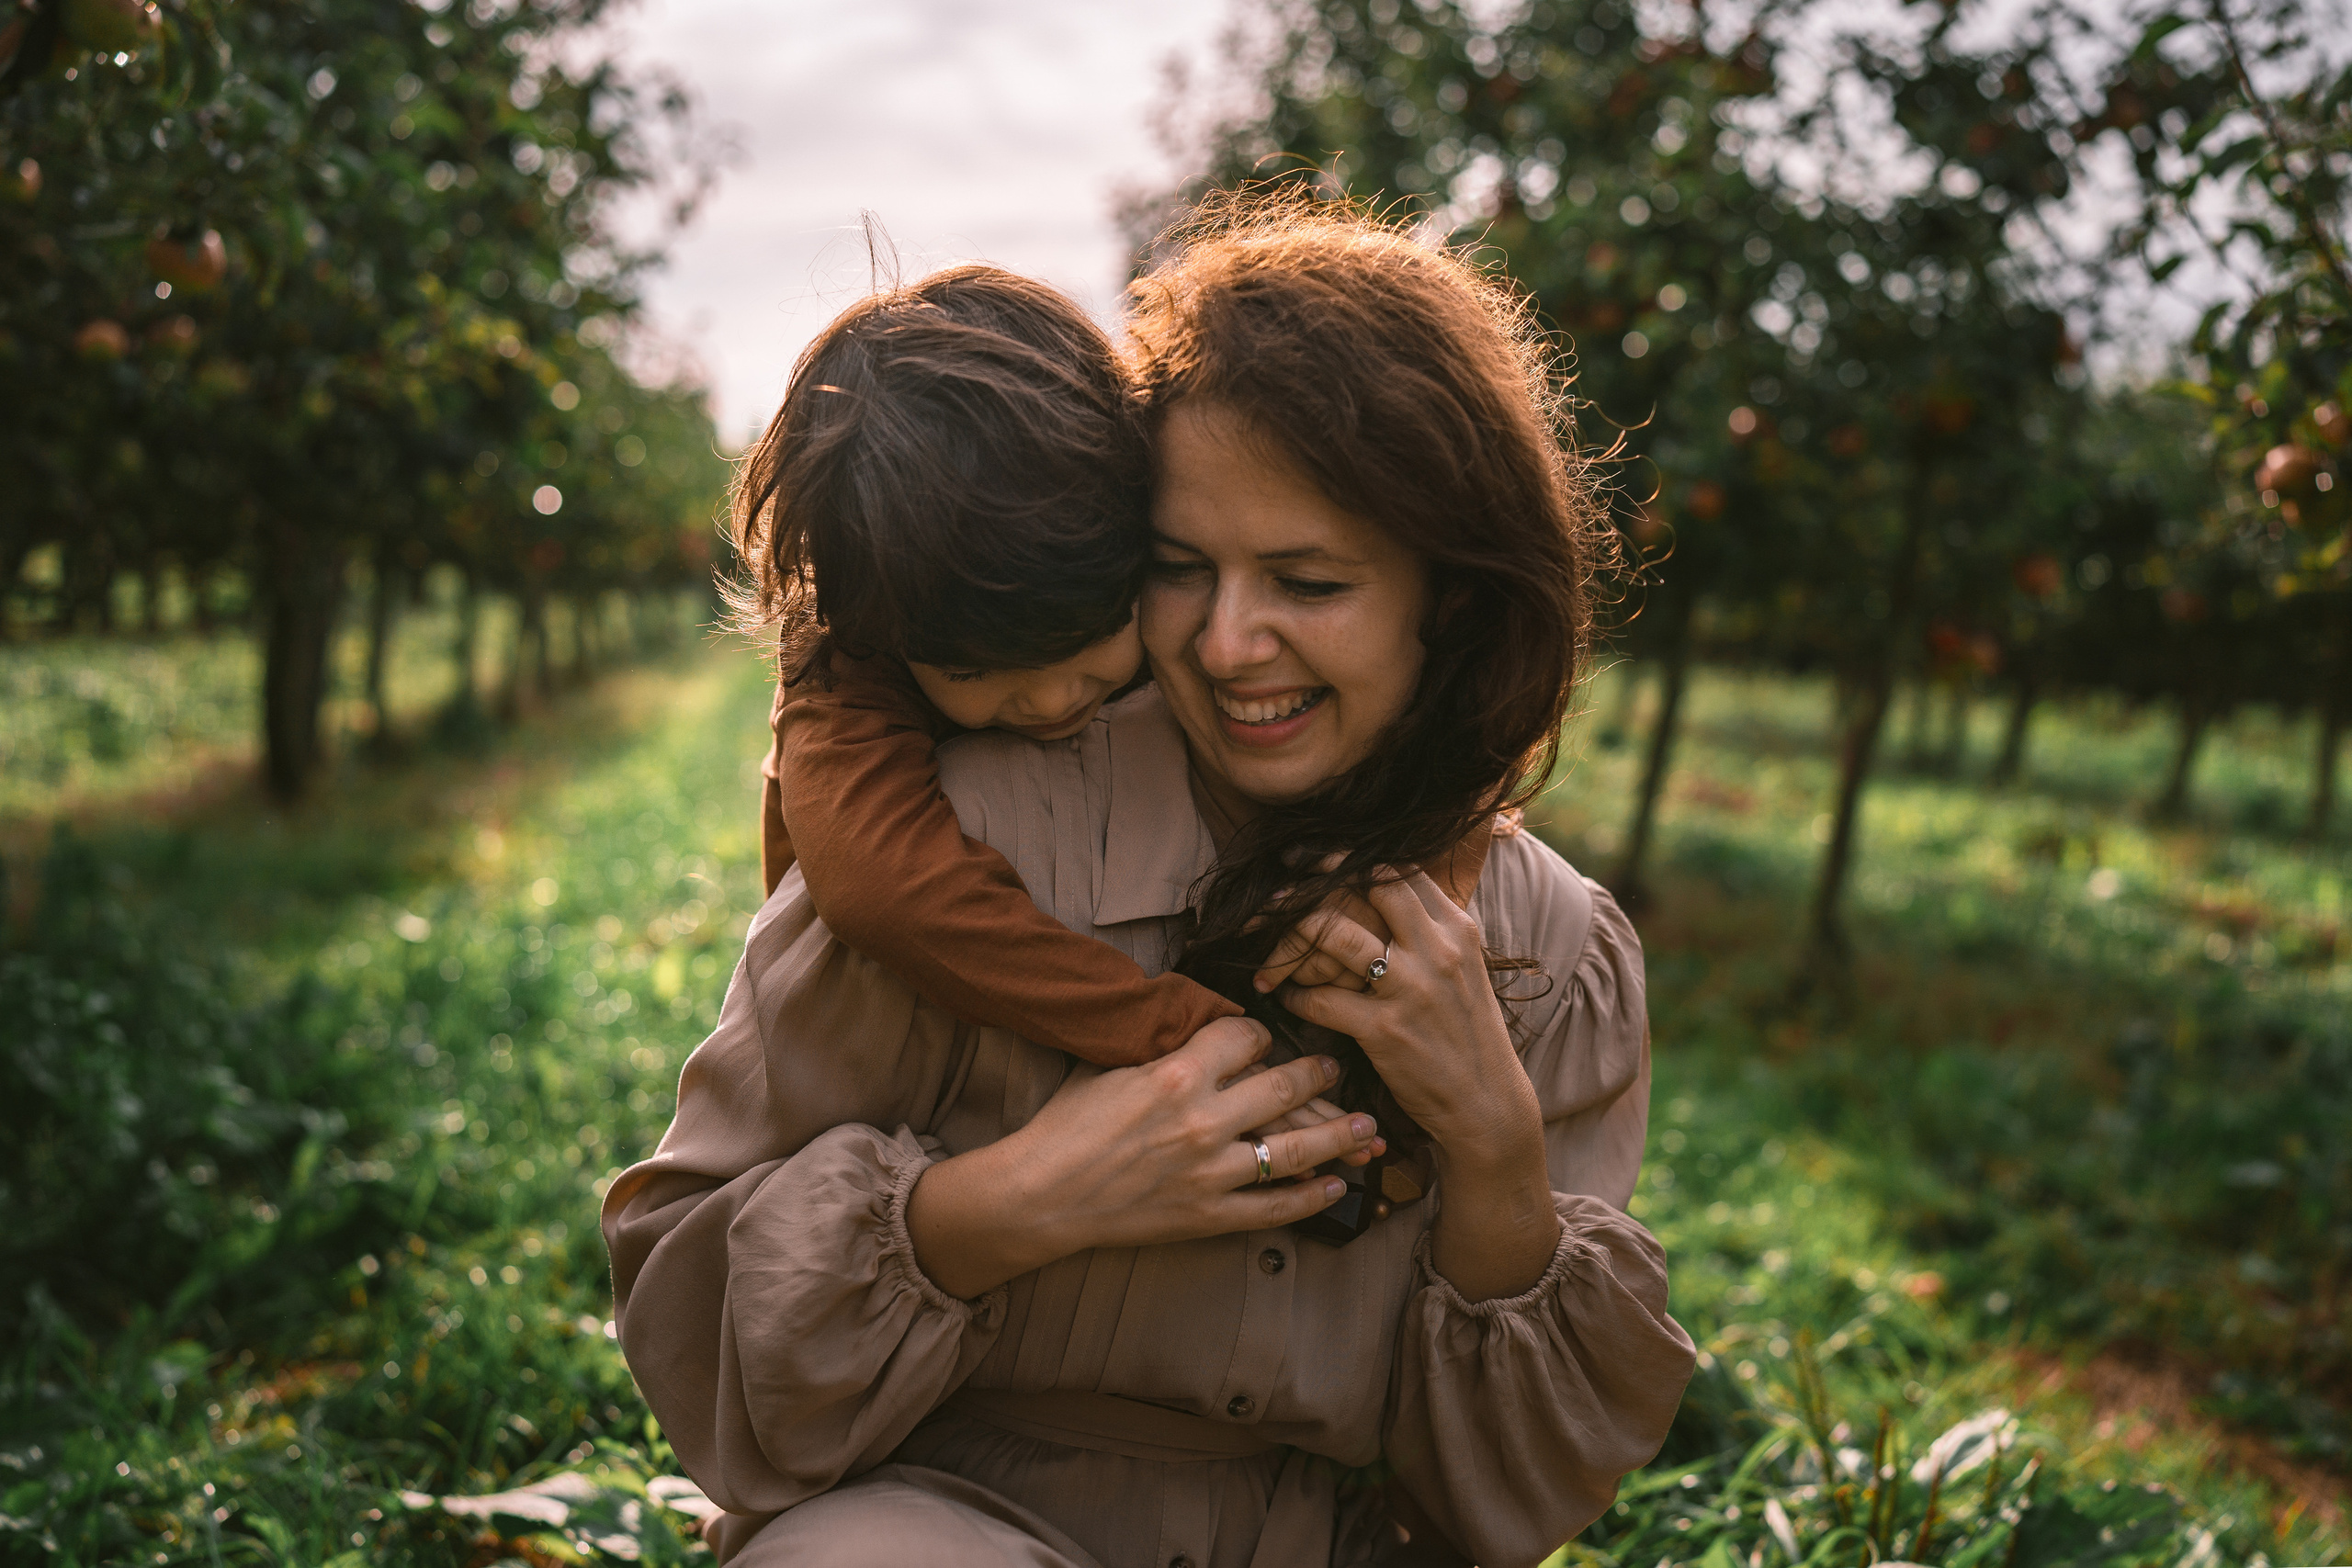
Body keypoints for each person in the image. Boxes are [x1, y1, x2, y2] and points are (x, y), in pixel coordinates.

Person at [605, 193, 1695, 1568]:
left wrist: (1491, 1140)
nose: (1233, 641)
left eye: (1307, 581)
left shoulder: (1547, 949)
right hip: (952, 1523)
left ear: (1454, 596)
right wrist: (1012, 1202)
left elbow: (1507, 1503)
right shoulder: (966, 838)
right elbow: (687, 1307)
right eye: (1180, 569)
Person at [735, 263, 1480, 1071]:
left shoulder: (1126, 529)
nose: (1053, 697)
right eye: (976, 673)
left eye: (1090, 632)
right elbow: (888, 895)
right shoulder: (853, 659)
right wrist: (1173, 1032)